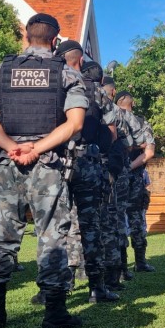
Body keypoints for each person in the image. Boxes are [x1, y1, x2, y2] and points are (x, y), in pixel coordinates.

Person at [0, 13, 88, 328]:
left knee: (0, 235)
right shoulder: (66, 75)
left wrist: (11, 146)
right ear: (56, 40)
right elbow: (75, 123)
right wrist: (37, 149)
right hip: (49, 166)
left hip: (7, 165)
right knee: (52, 235)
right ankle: (54, 313)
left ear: (25, 37)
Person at [52, 42, 119, 304]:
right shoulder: (98, 92)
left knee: (56, 225)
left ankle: (57, 286)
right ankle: (97, 288)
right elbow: (112, 132)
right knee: (91, 226)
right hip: (87, 162)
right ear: (80, 61)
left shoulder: (51, 84)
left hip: (54, 161)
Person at [116, 92, 156, 272]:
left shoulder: (111, 118)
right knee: (137, 220)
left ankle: (122, 267)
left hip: (115, 177)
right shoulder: (141, 122)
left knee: (116, 220)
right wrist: (130, 166)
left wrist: (122, 167)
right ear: (133, 103)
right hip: (135, 178)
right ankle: (140, 262)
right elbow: (149, 152)